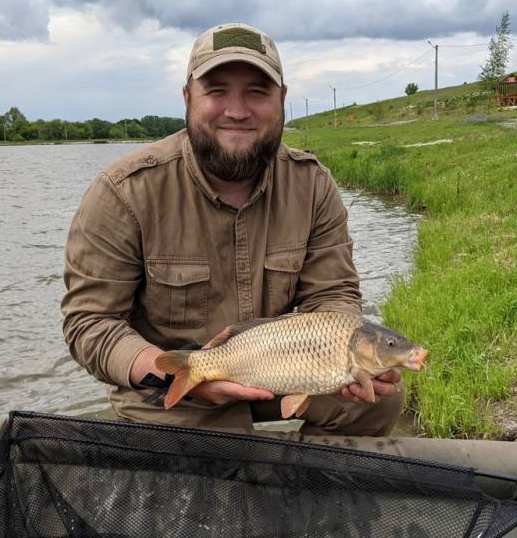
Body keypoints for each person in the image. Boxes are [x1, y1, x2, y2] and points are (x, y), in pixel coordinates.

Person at [61, 22, 403, 435]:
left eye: (257, 91)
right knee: (217, 487)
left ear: (283, 100)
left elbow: (333, 293)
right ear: (188, 98)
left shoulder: (312, 184)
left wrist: (346, 354)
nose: (237, 110)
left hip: (283, 367)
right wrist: (168, 373)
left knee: (376, 403)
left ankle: (312, 492)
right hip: (175, 387)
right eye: (217, 90)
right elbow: (90, 322)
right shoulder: (123, 191)